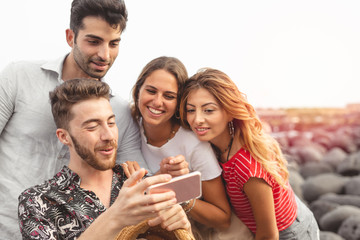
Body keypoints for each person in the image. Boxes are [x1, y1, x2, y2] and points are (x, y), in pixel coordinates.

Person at [0, 0, 146, 238]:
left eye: (114, 43)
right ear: (71, 37)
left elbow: (134, 179)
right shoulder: (17, 78)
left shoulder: (118, 111)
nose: (104, 54)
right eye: (93, 41)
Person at [18, 78, 191, 239]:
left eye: (111, 123)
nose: (109, 135)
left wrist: (185, 228)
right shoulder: (38, 201)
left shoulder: (144, 186)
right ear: (64, 137)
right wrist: (115, 217)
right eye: (92, 127)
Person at [180, 68, 320, 239]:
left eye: (208, 110)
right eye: (191, 110)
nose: (197, 119)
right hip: (285, 209)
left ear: (230, 112)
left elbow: (268, 235)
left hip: (289, 232)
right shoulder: (215, 144)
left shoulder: (247, 168)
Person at [130, 56, 235, 239]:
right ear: (138, 90)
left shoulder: (193, 144)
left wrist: (178, 192)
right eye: (151, 91)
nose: (157, 101)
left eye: (169, 96)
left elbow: (223, 218)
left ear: (179, 103)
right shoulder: (129, 123)